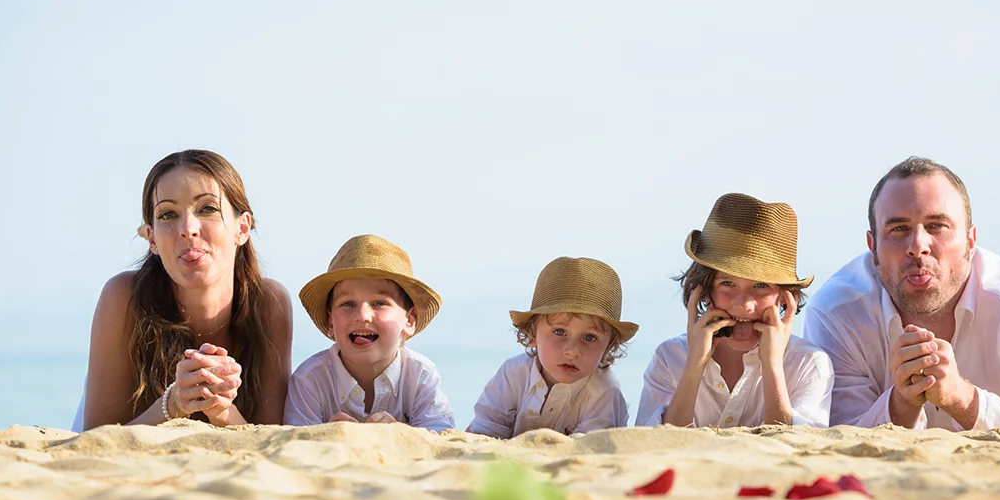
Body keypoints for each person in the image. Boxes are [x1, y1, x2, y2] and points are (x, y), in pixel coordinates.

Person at [806, 156, 1000, 433]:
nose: (918, 245)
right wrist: (900, 404)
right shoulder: (837, 312)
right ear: (873, 247)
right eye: (898, 229)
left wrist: (962, 398)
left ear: (971, 241)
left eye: (937, 226)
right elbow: (833, 434)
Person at [80, 149, 293, 429]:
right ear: (152, 238)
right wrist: (174, 403)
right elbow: (94, 440)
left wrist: (220, 409)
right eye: (168, 214)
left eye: (207, 208)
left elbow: (271, 438)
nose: (187, 228)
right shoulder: (123, 297)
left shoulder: (269, 303)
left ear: (242, 228)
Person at [637, 194, 833, 428]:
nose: (744, 304)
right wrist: (694, 365)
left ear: (784, 298)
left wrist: (772, 366)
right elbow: (653, 447)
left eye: (761, 286)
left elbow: (799, 451)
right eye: (727, 284)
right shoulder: (669, 358)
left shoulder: (809, 362)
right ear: (704, 290)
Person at [285, 235, 455, 430]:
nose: (362, 316)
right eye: (348, 304)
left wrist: (402, 434)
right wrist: (323, 436)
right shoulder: (310, 380)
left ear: (409, 320)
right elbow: (293, 441)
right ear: (330, 321)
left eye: (379, 303)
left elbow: (440, 433)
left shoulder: (419, 375)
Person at [468, 256, 637, 437]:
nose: (572, 351)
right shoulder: (513, 374)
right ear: (532, 333)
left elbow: (587, 453)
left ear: (607, 347)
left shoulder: (604, 393)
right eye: (559, 332)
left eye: (589, 337)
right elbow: (483, 433)